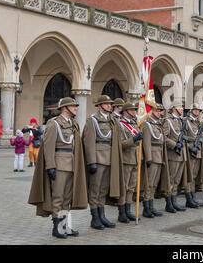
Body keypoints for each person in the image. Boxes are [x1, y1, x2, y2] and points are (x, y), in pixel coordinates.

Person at [28, 97, 88, 239]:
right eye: (73, 106)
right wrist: (51, 167)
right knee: (58, 197)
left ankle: (65, 226)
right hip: (59, 164)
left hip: (72, 164)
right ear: (64, 108)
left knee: (67, 198)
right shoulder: (54, 123)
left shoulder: (73, 124)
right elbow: (48, 147)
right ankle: (57, 228)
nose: (76, 108)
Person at [83, 95, 125, 230]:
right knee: (95, 189)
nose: (109, 105)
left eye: (110, 103)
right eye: (106, 104)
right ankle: (95, 218)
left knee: (103, 189)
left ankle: (102, 215)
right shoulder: (93, 120)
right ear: (99, 106)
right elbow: (88, 141)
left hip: (110, 158)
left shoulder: (112, 120)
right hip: (98, 158)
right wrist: (91, 161)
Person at [118, 102, 143, 222]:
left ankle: (128, 210)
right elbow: (120, 144)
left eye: (134, 110)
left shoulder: (135, 124)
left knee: (132, 187)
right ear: (125, 111)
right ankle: (122, 212)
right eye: (131, 110)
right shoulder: (120, 125)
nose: (134, 112)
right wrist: (134, 139)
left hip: (136, 158)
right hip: (126, 159)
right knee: (125, 186)